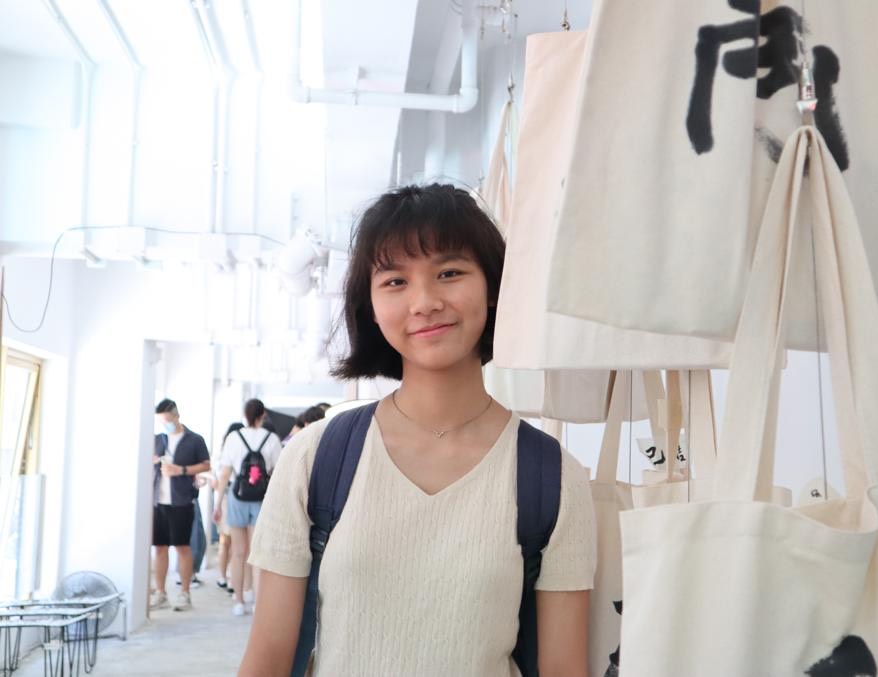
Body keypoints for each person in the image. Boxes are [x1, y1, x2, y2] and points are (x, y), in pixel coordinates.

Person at [242, 184, 596, 675]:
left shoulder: (552, 477)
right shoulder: (316, 458)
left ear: (492, 287)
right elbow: (267, 660)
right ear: (369, 302)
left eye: (449, 273)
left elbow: (563, 669)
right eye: (394, 281)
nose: (425, 302)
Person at [213, 399, 283, 616]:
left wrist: (217, 504)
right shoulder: (272, 439)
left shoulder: (234, 438)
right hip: (262, 498)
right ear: (263, 415)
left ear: (244, 414)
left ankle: (239, 600)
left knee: (238, 552)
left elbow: (224, 474)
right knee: (257, 552)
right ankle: (256, 601)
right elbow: (277, 473)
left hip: (237, 497)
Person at [151, 399, 210, 612]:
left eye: (166, 420)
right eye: (161, 421)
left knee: (183, 547)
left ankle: (185, 593)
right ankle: (160, 593)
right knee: (159, 547)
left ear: (176, 416)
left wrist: (181, 470)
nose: (164, 425)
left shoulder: (194, 440)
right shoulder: (157, 440)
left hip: (182, 500)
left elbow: (206, 464)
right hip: (158, 501)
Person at [212, 422, 243, 592]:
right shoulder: (228, 453)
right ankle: (228, 577)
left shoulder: (225, 453)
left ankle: (225, 576)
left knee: (227, 541)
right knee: (231, 542)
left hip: (226, 498)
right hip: (234, 498)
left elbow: (218, 479)